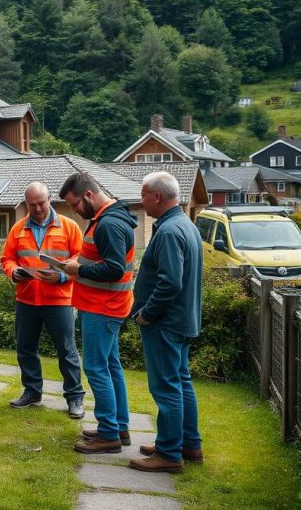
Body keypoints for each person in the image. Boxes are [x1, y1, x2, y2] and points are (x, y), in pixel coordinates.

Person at [128, 172, 204, 473]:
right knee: (181, 382)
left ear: (156, 196)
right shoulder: (185, 224)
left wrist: (146, 313)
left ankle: (169, 455)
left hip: (165, 324)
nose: (141, 199)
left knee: (167, 387)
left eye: (143, 194)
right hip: (181, 320)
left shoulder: (170, 232)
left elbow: (170, 283)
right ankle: (188, 444)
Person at [59, 172, 137, 454]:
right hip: (107, 305)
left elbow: (114, 268)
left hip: (103, 307)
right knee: (111, 365)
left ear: (89, 195)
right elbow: (102, 260)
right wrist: (78, 261)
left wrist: (78, 269)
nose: (74, 210)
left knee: (95, 367)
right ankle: (119, 426)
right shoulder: (105, 219)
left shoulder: (110, 224)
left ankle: (108, 435)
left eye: (75, 204)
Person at [0, 182, 86, 419]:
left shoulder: (69, 227)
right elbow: (7, 258)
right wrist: (14, 271)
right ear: (26, 203)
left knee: (67, 350)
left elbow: (81, 259)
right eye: (32, 204)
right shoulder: (18, 229)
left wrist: (61, 276)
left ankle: (75, 397)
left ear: (49, 199)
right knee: (25, 348)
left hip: (59, 300)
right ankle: (32, 391)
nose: (37, 209)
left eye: (41, 203)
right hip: (27, 299)